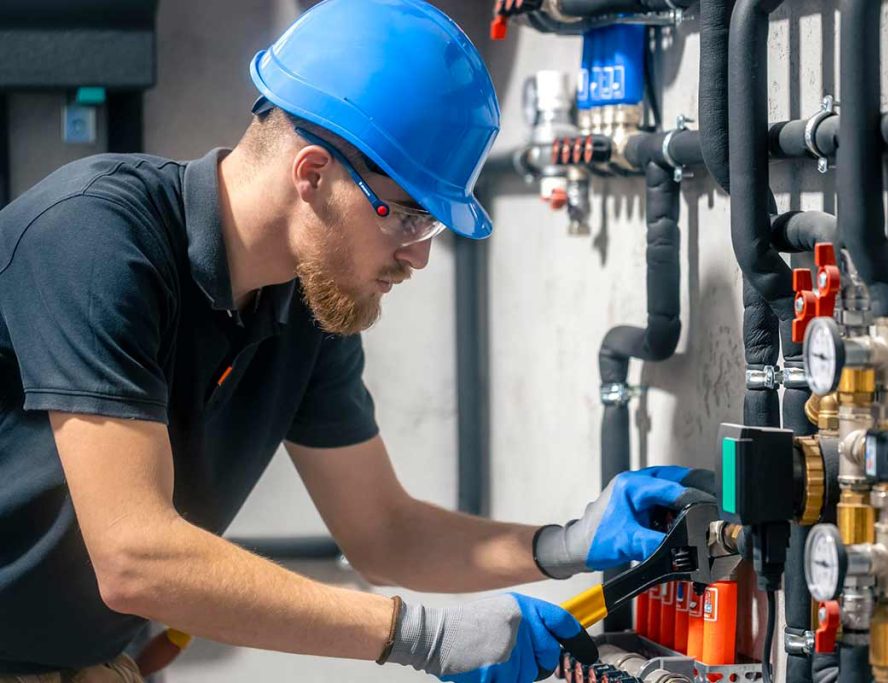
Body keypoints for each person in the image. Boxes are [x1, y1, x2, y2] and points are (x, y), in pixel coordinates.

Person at [0, 1, 713, 680]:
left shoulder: (307, 306)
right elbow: (135, 556)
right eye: (408, 218)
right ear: (313, 175)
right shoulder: (96, 238)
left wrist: (562, 544)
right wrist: (421, 635)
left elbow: (382, 531)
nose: (419, 256)